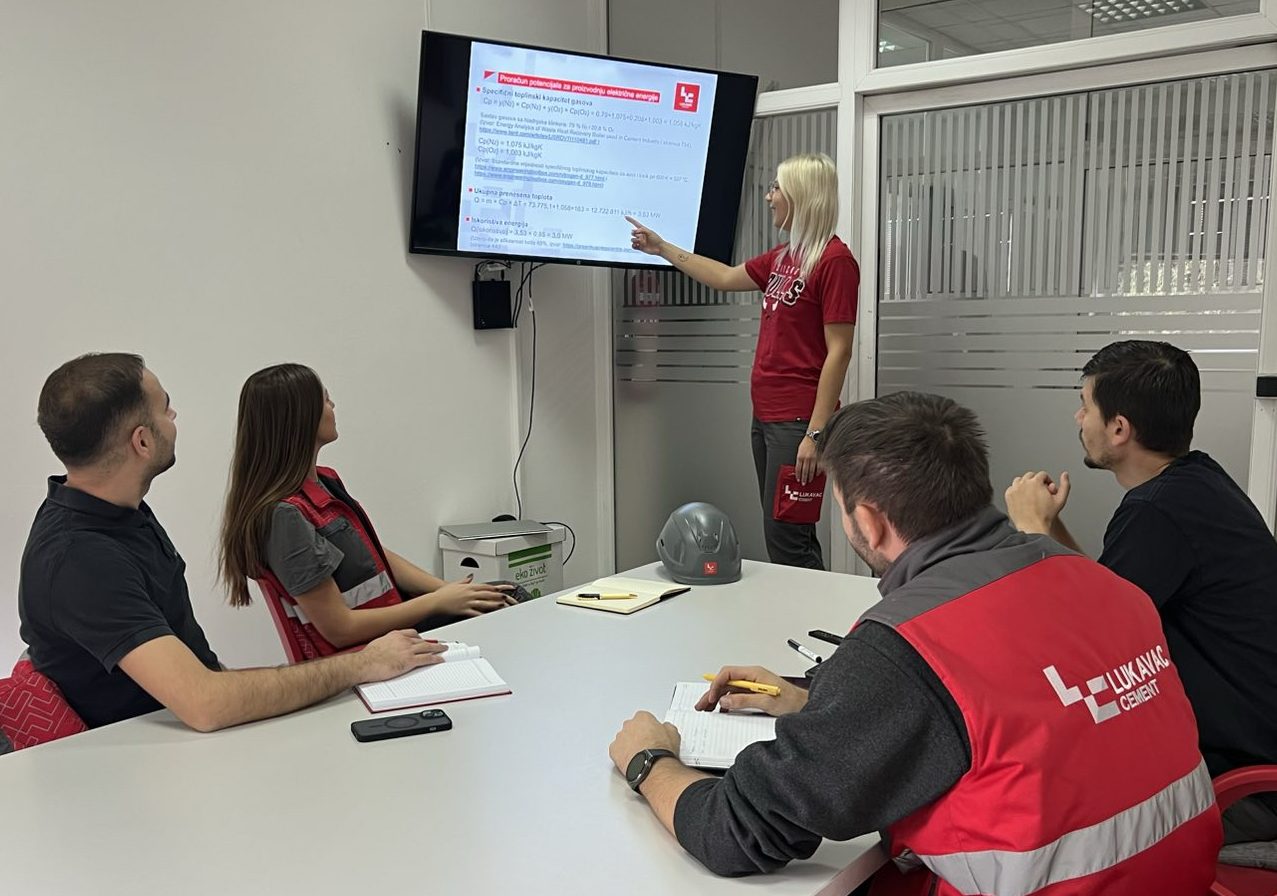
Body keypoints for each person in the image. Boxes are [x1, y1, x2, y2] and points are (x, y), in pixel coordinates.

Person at [608, 391, 1220, 894]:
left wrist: (650, 760)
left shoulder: (906, 648)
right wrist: (810, 697)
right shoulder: (1103, 583)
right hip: (1183, 876)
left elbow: (739, 832)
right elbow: (1011, 695)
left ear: (868, 521)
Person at [18, 353, 444, 732]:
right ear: (142, 442)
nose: (175, 416)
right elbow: (205, 703)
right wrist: (365, 663)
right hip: (142, 764)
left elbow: (199, 676)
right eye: (166, 409)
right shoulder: (81, 558)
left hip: (177, 730)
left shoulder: (118, 512)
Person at [1005, 339, 1277, 847]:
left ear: (1119, 428)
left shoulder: (1157, 510)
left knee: (1040, 809)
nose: (1077, 417)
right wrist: (1054, 529)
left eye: (1085, 405)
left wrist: (1032, 531)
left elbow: (1088, 645)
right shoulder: (1194, 484)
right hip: (1251, 755)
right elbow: (1113, 597)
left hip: (1245, 787)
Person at [626, 152, 857, 570]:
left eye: (776, 188)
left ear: (801, 196)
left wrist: (816, 434)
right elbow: (725, 276)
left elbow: (839, 351)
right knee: (784, 535)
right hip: (766, 418)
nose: (769, 197)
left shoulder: (835, 261)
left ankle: (812, 628)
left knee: (788, 540)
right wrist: (661, 248)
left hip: (798, 425)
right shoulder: (785, 257)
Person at [219, 363, 514, 657]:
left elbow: (374, 555)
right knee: (507, 603)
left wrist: (446, 591)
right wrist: (437, 602)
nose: (333, 405)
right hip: (367, 653)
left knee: (502, 594)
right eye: (325, 399)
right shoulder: (284, 516)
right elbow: (339, 628)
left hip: (392, 630)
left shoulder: (325, 482)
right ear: (302, 417)